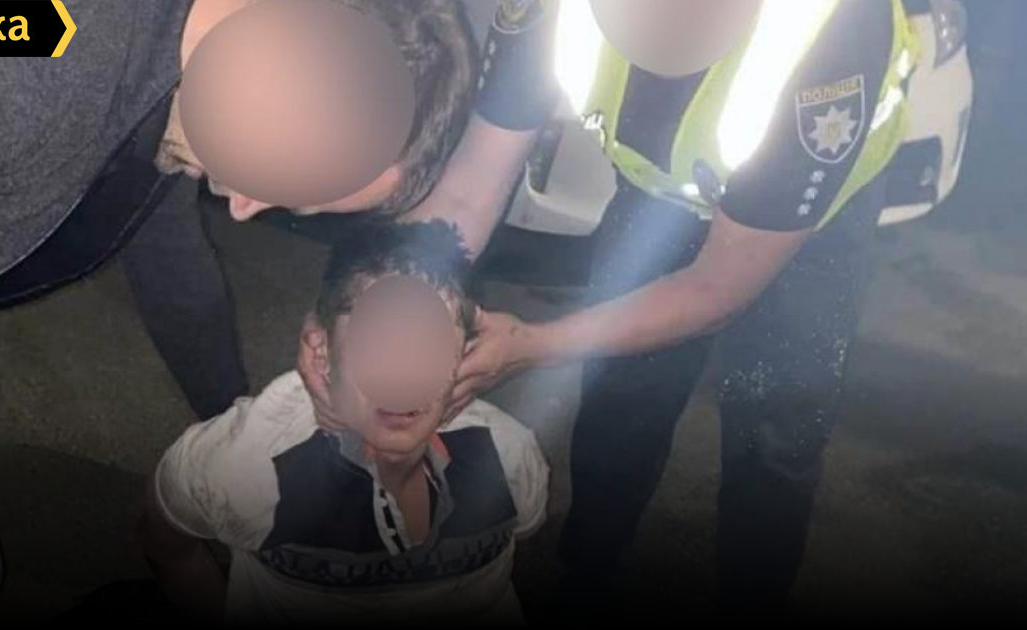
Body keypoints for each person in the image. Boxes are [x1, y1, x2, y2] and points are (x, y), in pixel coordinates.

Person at [0, 0, 476, 619]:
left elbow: (176, 275)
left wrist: (241, 422)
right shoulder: (26, 50)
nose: (243, 208)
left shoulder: (184, 88)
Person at [300, 0, 920, 619]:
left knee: (776, 424)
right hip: (662, 185)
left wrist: (535, 345)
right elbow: (469, 188)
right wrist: (354, 304)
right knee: (621, 390)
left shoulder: (830, 32)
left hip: (812, 213)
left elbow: (716, 290)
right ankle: (592, 569)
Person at [137, 220, 549, 626]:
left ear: (465, 356)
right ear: (322, 350)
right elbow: (168, 545)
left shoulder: (509, 455)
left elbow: (516, 552)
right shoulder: (243, 460)